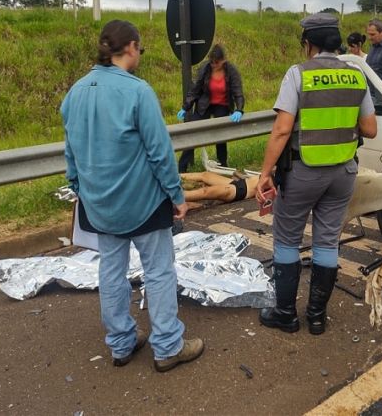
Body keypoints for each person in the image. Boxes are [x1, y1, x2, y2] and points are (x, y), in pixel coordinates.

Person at [61, 19, 204, 372]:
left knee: (111, 271)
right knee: (158, 271)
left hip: (100, 205)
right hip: (143, 203)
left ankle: (122, 343)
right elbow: (159, 152)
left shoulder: (74, 93)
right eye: (140, 48)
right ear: (131, 48)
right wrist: (177, 195)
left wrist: (80, 189)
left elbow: (71, 152)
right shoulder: (138, 91)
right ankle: (168, 346)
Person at [255, 13, 377, 335]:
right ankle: (317, 317)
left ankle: (285, 314)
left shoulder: (298, 75)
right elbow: (371, 128)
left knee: (287, 239)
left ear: (308, 44)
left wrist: (265, 173)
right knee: (326, 241)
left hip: (303, 172)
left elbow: (281, 131)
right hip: (343, 173)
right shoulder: (356, 76)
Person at [177, 44, 245, 172]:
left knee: (220, 135)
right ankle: (181, 168)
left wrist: (239, 109)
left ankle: (223, 165)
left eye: (216, 62)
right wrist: (186, 107)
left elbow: (238, 92)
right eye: (212, 62)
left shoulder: (231, 71)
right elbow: (195, 89)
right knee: (193, 131)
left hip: (222, 105)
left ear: (223, 60)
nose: (213, 64)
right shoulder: (205, 68)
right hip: (205, 104)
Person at [181, 171, 258, 204]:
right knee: (205, 175)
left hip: (239, 191)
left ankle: (171, 198)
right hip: (242, 182)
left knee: (205, 191)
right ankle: (172, 177)